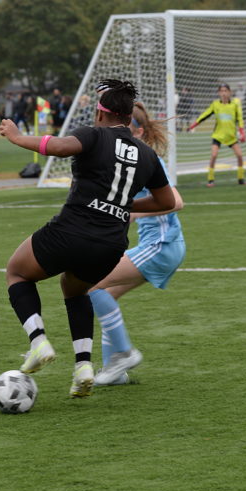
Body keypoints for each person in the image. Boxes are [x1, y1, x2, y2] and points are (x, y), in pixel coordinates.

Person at [0, 79, 175, 398]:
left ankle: (38, 342)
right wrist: (121, 205)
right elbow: (167, 201)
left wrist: (17, 136)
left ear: (101, 113)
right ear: (128, 116)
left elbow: (59, 147)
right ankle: (83, 366)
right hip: (111, 245)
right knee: (75, 289)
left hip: (72, 231)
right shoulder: (147, 155)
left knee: (17, 272)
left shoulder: (94, 135)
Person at [89, 102, 186, 385]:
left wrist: (133, 213)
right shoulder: (129, 162)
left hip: (161, 245)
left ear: (140, 132)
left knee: (91, 285)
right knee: (106, 295)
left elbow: (177, 202)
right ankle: (114, 371)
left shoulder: (148, 160)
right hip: (163, 245)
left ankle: (124, 353)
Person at [188, 84, 246, 187]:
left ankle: (241, 179)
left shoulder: (235, 104)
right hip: (218, 135)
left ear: (230, 92)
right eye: (221, 91)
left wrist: (242, 132)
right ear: (219, 93)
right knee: (214, 155)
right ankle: (210, 180)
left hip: (231, 136)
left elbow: (240, 119)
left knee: (239, 155)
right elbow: (205, 115)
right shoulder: (215, 104)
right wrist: (193, 125)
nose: (224, 93)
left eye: (225, 91)